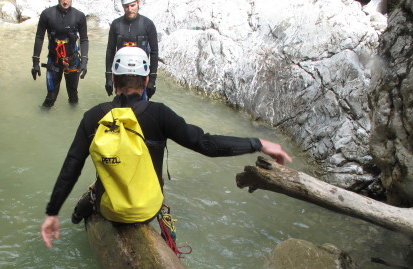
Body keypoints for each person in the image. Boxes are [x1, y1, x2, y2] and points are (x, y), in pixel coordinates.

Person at [40, 47, 293, 248]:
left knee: (96, 191)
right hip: (149, 209)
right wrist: (258, 143)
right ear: (147, 80)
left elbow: (71, 165)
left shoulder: (93, 116)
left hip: (110, 210)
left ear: (113, 79)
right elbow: (206, 144)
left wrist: (52, 213)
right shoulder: (160, 114)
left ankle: (86, 205)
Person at [31, 0, 89, 108]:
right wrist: (35, 61)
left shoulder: (79, 16)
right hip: (54, 60)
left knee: (73, 96)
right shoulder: (47, 14)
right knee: (50, 97)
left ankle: (74, 121)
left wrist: (84, 61)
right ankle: (43, 121)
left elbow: (84, 39)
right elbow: (39, 37)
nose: (65, 1)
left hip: (72, 61)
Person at [105, 0, 158, 99]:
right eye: (126, 6)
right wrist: (108, 78)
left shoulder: (147, 24)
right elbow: (110, 51)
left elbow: (154, 52)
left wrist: (152, 80)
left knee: (141, 109)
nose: (130, 9)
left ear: (138, 3)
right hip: (120, 77)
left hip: (141, 77)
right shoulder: (116, 25)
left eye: (132, 5)